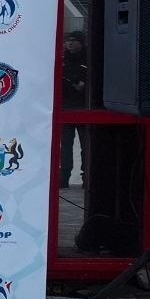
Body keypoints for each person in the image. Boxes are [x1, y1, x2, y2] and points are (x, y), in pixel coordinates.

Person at [60, 30, 87, 187]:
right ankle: (63, 177)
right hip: (66, 108)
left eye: (74, 40)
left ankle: (86, 178)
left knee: (86, 145)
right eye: (68, 40)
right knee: (65, 146)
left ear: (81, 42)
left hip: (84, 107)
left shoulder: (89, 59)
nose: (70, 43)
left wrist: (84, 85)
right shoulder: (62, 60)